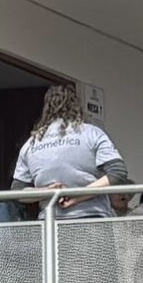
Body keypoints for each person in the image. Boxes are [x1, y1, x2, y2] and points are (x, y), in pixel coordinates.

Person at [9, 83, 129, 220]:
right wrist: (77, 196)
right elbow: (118, 173)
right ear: (76, 106)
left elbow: (18, 191)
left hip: (49, 224)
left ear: (46, 108)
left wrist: (48, 192)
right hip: (91, 219)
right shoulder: (92, 133)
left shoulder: (31, 144)